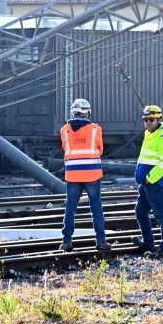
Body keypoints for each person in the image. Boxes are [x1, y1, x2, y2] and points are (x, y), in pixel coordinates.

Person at [59, 98, 111, 253]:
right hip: (92, 175)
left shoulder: (64, 130)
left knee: (70, 209)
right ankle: (101, 241)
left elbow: (65, 148)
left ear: (73, 113)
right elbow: (100, 150)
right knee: (96, 208)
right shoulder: (96, 129)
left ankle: (66, 242)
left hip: (73, 176)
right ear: (88, 113)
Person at [131, 105, 163, 260]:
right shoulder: (150, 133)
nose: (148, 122)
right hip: (146, 184)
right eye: (145, 119)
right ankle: (148, 243)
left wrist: (150, 178)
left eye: (151, 119)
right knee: (140, 212)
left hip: (154, 183)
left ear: (159, 119)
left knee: (162, 216)